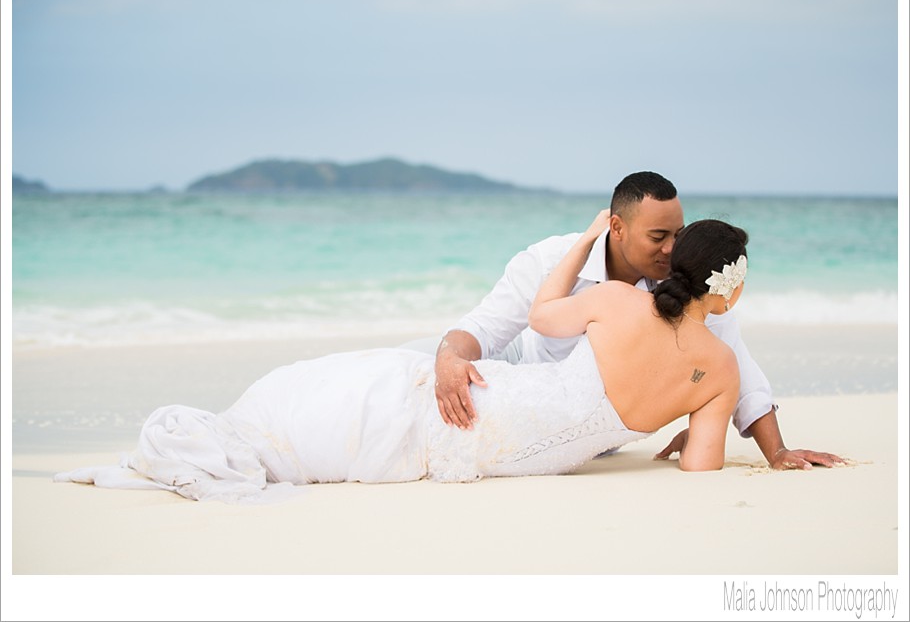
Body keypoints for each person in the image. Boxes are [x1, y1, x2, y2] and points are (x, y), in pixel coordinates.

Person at [57, 216, 757, 503]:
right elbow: (700, 468)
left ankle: (224, 438)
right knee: (351, 409)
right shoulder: (719, 373)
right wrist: (669, 424)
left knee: (347, 389)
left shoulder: (616, 299)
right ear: (724, 285)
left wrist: (582, 241)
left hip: (489, 402)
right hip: (508, 455)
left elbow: (544, 313)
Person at [432, 171, 845, 470]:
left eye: (678, 235)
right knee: (411, 370)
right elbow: (485, 328)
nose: (671, 249)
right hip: (522, 364)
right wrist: (448, 360)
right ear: (616, 228)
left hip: (585, 434)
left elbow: (738, 366)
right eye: (657, 236)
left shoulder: (685, 285)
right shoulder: (551, 260)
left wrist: (776, 451)